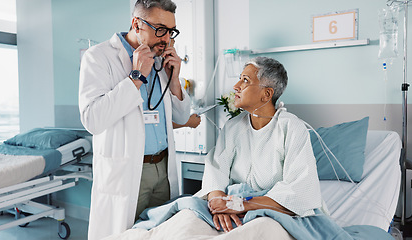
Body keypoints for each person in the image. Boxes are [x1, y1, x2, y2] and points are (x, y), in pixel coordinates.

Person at [78, 0, 191, 239]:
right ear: (136, 24)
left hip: (164, 168)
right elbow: (93, 120)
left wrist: (174, 80)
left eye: (171, 31)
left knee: (164, 233)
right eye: (160, 29)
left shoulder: (161, 61)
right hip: (129, 171)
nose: (167, 38)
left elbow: (182, 116)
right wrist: (136, 77)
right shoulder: (98, 57)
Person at [197, 57, 323, 232]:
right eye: (240, 78)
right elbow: (217, 169)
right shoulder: (233, 126)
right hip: (229, 204)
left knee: (261, 229)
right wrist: (218, 202)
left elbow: (299, 190)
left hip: (272, 209)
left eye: (245, 80)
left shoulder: (291, 128)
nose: (236, 86)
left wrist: (239, 205)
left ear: (267, 94)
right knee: (187, 218)